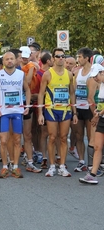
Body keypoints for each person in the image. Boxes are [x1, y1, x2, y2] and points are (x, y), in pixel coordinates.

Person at [0, 52, 31, 178]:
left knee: (17, 139)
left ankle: (16, 167)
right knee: (3, 140)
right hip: (4, 112)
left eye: (11, 59)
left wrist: (27, 105)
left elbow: (27, 90)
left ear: (15, 60)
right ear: (3, 61)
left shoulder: (21, 74)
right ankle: (5, 166)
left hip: (17, 111)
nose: (9, 61)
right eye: (7, 59)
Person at [38, 48, 77, 177]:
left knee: (64, 138)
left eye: (62, 56)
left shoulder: (69, 75)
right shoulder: (47, 74)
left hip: (65, 110)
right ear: (53, 58)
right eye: (58, 56)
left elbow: (72, 93)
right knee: (52, 137)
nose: (60, 58)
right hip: (51, 109)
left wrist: (75, 112)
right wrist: (40, 113)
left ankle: (62, 166)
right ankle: (52, 166)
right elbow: (41, 94)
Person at [80, 64, 104, 184]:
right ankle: (93, 174)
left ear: (102, 73)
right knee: (97, 146)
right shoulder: (100, 85)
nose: (95, 79)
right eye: (93, 76)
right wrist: (98, 111)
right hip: (102, 119)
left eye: (96, 76)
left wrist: (99, 113)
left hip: (101, 116)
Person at [73, 47, 93, 172]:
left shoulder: (93, 72)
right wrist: (74, 110)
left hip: (89, 108)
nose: (78, 59)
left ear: (86, 58)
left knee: (91, 138)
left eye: (80, 57)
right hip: (79, 107)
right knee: (79, 136)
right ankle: (82, 161)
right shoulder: (78, 72)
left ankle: (93, 163)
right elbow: (74, 91)